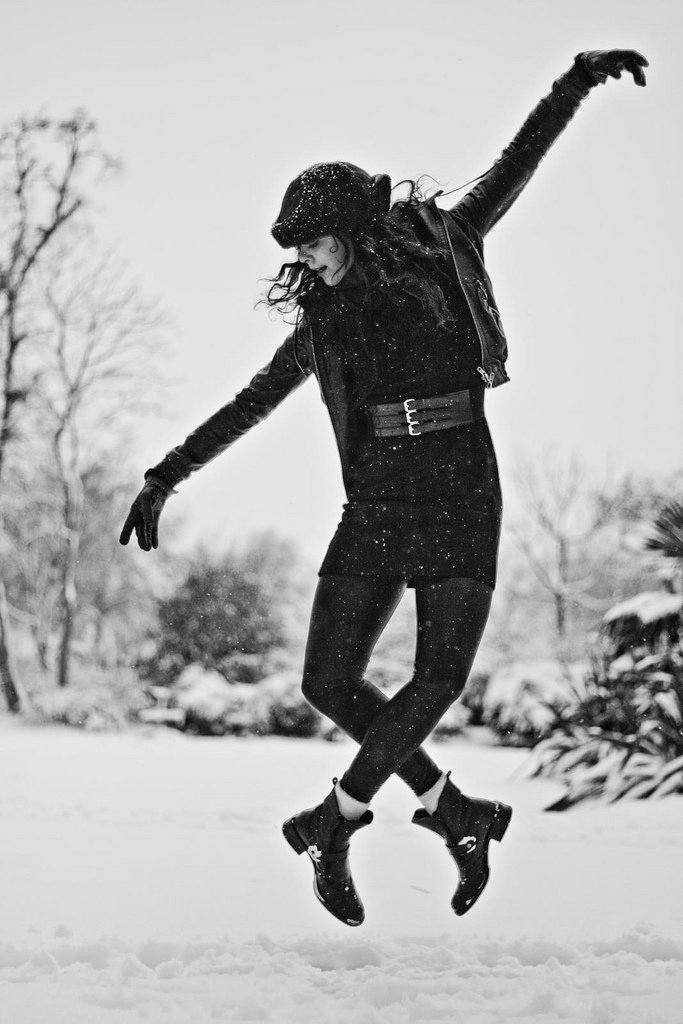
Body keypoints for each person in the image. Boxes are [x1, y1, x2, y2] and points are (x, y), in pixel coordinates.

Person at [120, 49, 648, 927]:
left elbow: (517, 160)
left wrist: (574, 81)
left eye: (316, 242)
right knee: (327, 679)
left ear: (354, 229)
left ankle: (338, 819)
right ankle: (454, 813)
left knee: (437, 676)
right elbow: (251, 403)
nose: (309, 261)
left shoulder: (447, 243)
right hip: (376, 501)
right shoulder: (323, 325)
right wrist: (164, 474)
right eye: (298, 250)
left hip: (459, 487)